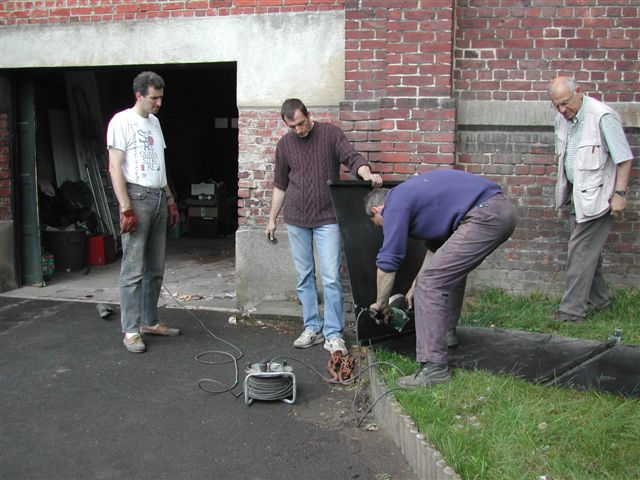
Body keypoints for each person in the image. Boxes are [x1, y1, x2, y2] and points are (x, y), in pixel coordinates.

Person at [365, 170, 517, 388]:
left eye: (378, 224)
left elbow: (388, 262)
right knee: (441, 277)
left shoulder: (394, 203)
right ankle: (445, 335)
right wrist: (413, 288)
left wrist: (381, 305)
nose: (382, 228)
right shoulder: (416, 196)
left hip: (485, 214)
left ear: (377, 210)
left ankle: (434, 369)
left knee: (431, 284)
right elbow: (437, 251)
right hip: (499, 209)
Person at [266, 98, 383, 355]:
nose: (298, 130)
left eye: (301, 123)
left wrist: (367, 174)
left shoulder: (330, 134)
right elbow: (280, 184)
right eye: (292, 127)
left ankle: (333, 333)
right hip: (296, 218)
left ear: (309, 115)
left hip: (327, 217)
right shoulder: (285, 145)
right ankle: (312, 327)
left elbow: (353, 159)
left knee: (330, 277)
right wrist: (272, 217)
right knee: (304, 276)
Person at [549, 76, 634, 323]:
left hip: (600, 198)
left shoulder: (602, 117)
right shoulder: (562, 119)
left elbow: (624, 158)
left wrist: (620, 195)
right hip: (578, 195)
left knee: (580, 251)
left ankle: (571, 312)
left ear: (579, 92)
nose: (562, 110)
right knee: (587, 252)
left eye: (565, 103)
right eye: (557, 106)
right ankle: (600, 302)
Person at [107, 71, 180, 353]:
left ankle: (149, 320)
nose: (158, 102)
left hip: (158, 196)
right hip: (136, 197)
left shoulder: (155, 123)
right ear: (139, 95)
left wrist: (170, 199)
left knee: (154, 268)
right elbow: (115, 167)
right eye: (154, 98)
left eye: (161, 97)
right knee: (133, 270)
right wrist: (126, 208)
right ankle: (131, 330)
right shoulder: (122, 121)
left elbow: (160, 164)